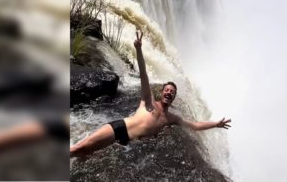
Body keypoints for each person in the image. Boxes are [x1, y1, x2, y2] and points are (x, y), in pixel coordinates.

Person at [70, 30, 231, 157]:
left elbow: (194, 126)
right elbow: (144, 73)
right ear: (162, 93)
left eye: (172, 92)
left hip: (125, 144)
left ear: (174, 97)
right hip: (119, 129)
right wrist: (139, 49)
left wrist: (215, 124)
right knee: (80, 149)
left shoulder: (171, 119)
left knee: (85, 156)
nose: (169, 93)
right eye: (167, 90)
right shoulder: (148, 101)